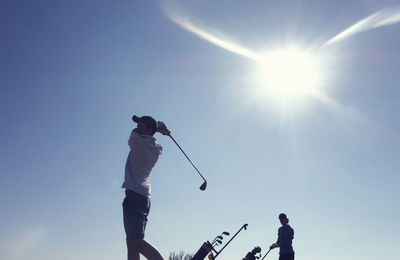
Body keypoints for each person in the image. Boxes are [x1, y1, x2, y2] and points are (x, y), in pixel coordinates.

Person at [122, 115, 170, 260]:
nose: (137, 127)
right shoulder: (156, 149)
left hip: (135, 197)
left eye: (141, 126)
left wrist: (158, 129)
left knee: (136, 241)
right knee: (131, 243)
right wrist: (159, 130)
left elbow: (133, 133)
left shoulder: (137, 142)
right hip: (140, 197)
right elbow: (150, 139)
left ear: (149, 130)